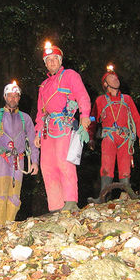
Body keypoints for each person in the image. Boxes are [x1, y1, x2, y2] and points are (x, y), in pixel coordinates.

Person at [34, 42, 91, 212]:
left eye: (54, 59)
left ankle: (70, 201)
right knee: (47, 165)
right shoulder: (43, 85)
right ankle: (56, 206)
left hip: (64, 124)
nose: (51, 62)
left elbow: (82, 95)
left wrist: (85, 116)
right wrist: (37, 132)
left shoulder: (70, 75)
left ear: (60, 60)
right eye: (48, 60)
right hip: (47, 129)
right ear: (45, 64)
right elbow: (40, 112)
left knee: (64, 161)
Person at [0, 81, 39, 226]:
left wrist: (35, 162)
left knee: (15, 196)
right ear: (5, 97)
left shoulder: (26, 118)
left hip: (18, 160)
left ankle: (9, 224)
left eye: (16, 96)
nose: (13, 99)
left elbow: (32, 141)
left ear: (19, 98)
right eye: (10, 96)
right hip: (1, 158)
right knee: (1, 194)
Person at [88, 64, 140, 194]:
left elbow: (136, 118)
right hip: (109, 137)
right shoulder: (100, 100)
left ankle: (126, 194)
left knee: (125, 166)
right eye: (111, 77)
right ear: (105, 84)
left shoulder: (127, 99)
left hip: (125, 138)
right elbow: (93, 119)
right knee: (107, 165)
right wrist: (90, 136)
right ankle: (104, 195)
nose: (115, 79)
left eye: (116, 77)